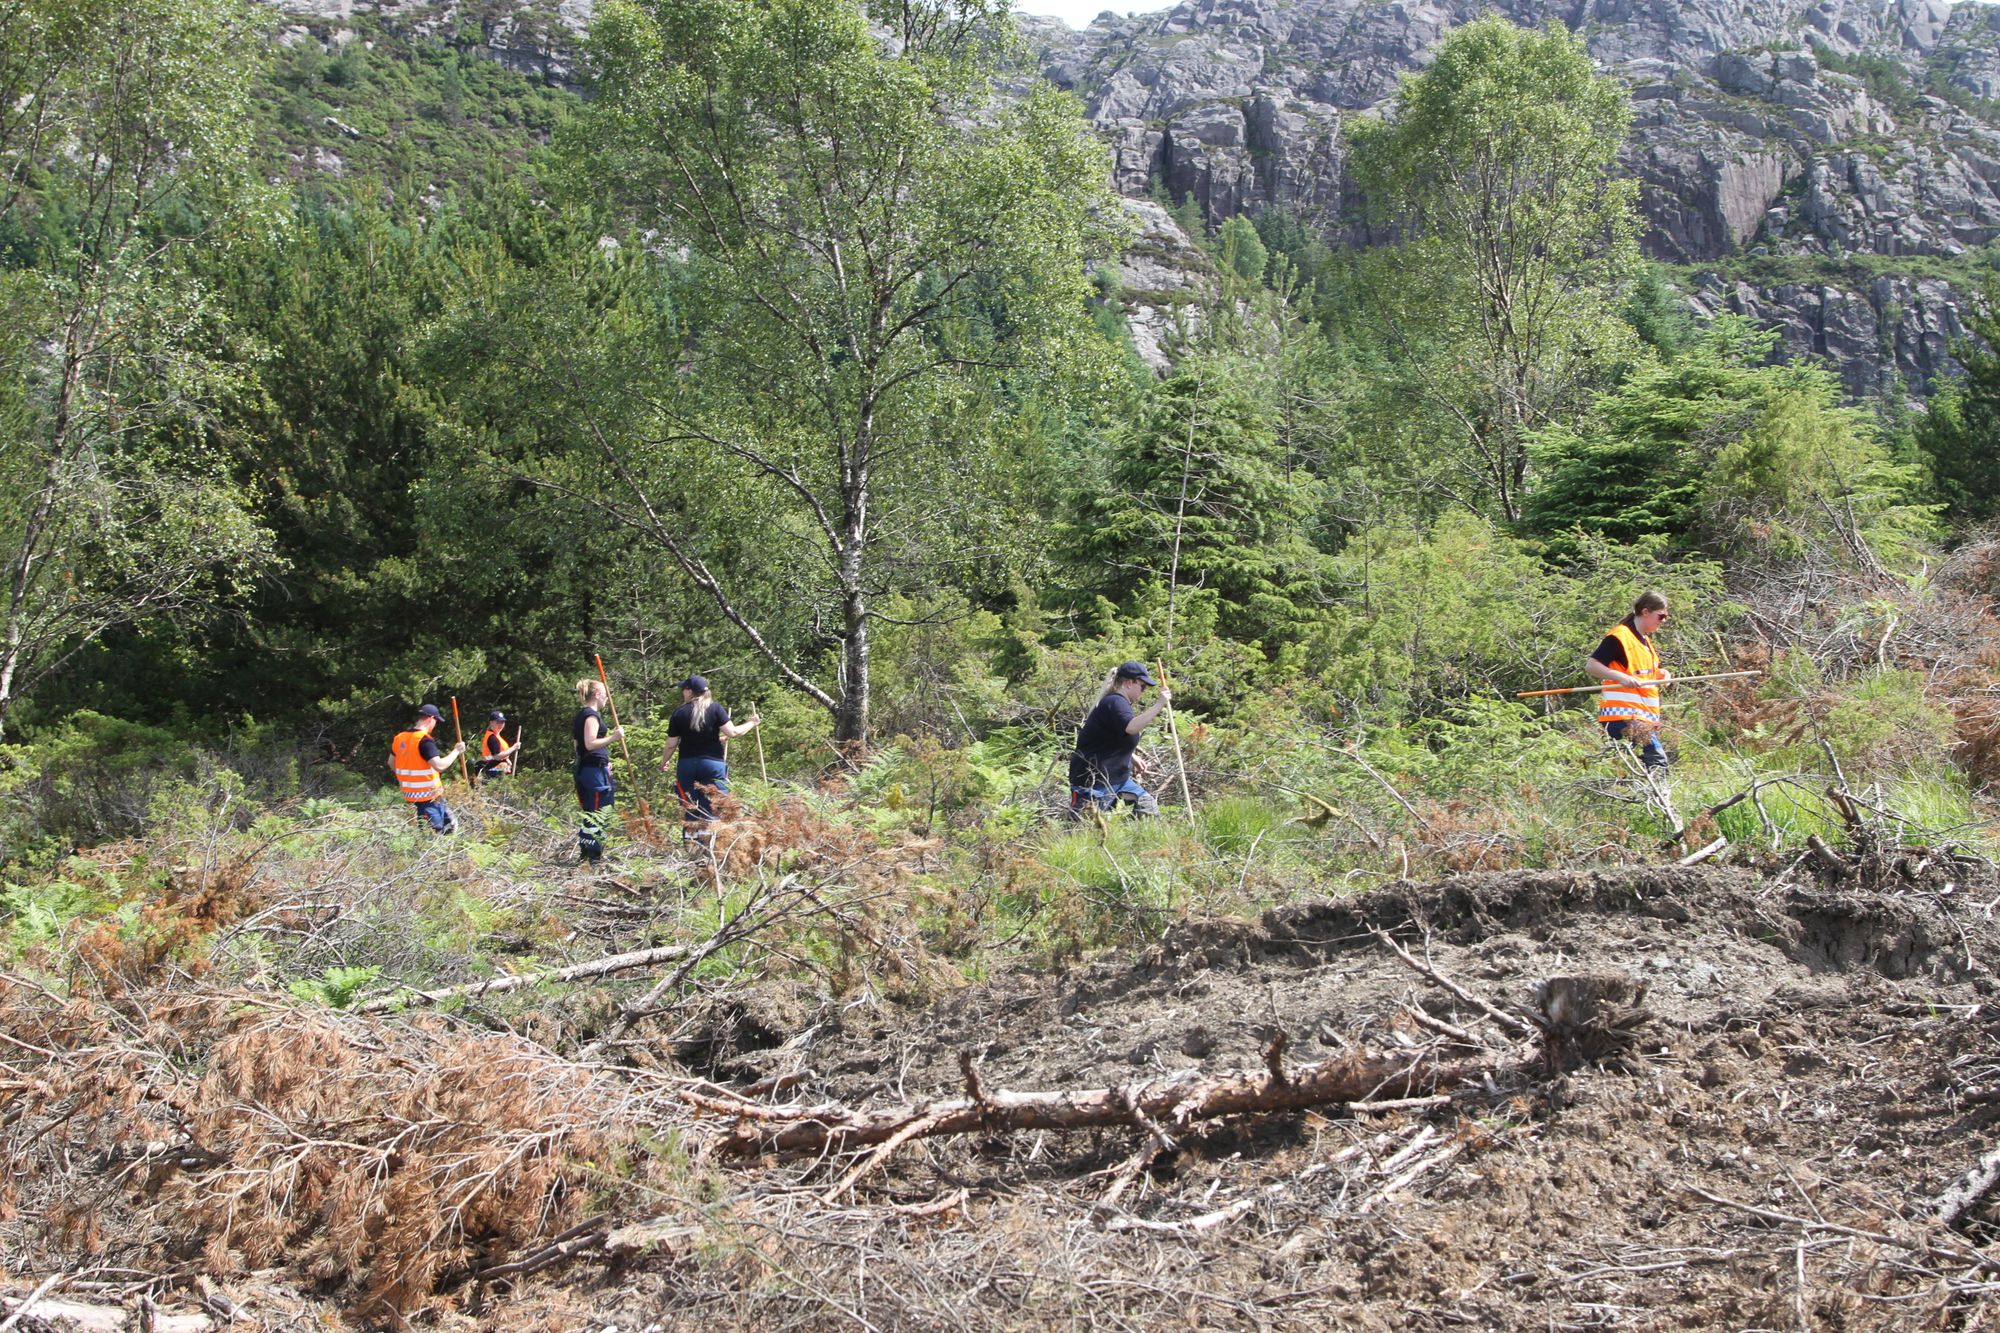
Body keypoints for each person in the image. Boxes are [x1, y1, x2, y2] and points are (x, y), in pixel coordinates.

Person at [659, 675, 758, 851]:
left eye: (684, 689)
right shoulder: (715, 709)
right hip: (712, 765)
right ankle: (711, 849)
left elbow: (671, 744)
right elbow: (733, 732)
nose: (682, 692)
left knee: (690, 806)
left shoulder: (679, 713)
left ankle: (691, 849)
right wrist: (752, 723)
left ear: (690, 691)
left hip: (687, 765)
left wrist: (664, 762)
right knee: (712, 806)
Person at [1067, 660, 1173, 818]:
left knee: (1147, 808)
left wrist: (1131, 755)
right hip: (1093, 782)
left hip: (1119, 781)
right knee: (1084, 830)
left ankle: (1142, 841)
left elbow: (1107, 738)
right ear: (1129, 683)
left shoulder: (1117, 703)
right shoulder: (1115, 702)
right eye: (1142, 687)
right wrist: (1159, 704)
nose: (1142, 692)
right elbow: (1131, 728)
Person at [1585, 590, 1674, 774]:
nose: (1663, 621)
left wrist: (1663, 674)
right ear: (1646, 611)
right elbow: (1592, 665)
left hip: (1642, 717)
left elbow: (1644, 674)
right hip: (1622, 715)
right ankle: (1662, 799)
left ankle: (1646, 797)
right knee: (1656, 759)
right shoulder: (1620, 636)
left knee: (1636, 768)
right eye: (1661, 616)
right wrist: (1620, 677)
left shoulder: (1645, 641)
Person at [388, 704, 464, 833]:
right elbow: (439, 766)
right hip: (428, 797)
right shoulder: (424, 740)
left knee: (449, 828)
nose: (435, 725)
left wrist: (409, 779)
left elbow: (391, 762)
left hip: (413, 796)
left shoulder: (399, 738)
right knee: (435, 835)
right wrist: (456, 751)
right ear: (430, 719)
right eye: (436, 721)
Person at [573, 679, 623, 862]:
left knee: (591, 811)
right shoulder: (590, 716)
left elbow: (577, 745)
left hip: (589, 767)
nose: (607, 699)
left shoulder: (581, 715)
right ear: (597, 695)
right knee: (597, 810)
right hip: (593, 772)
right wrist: (614, 737)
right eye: (605, 694)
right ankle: (593, 854)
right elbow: (590, 743)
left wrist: (603, 761)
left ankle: (587, 852)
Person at [477, 710, 518, 784]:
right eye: (498, 722)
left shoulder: (496, 736)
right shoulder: (492, 737)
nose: (501, 724)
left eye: (502, 722)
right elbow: (497, 756)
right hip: (493, 773)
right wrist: (513, 748)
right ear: (491, 722)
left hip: (497, 772)